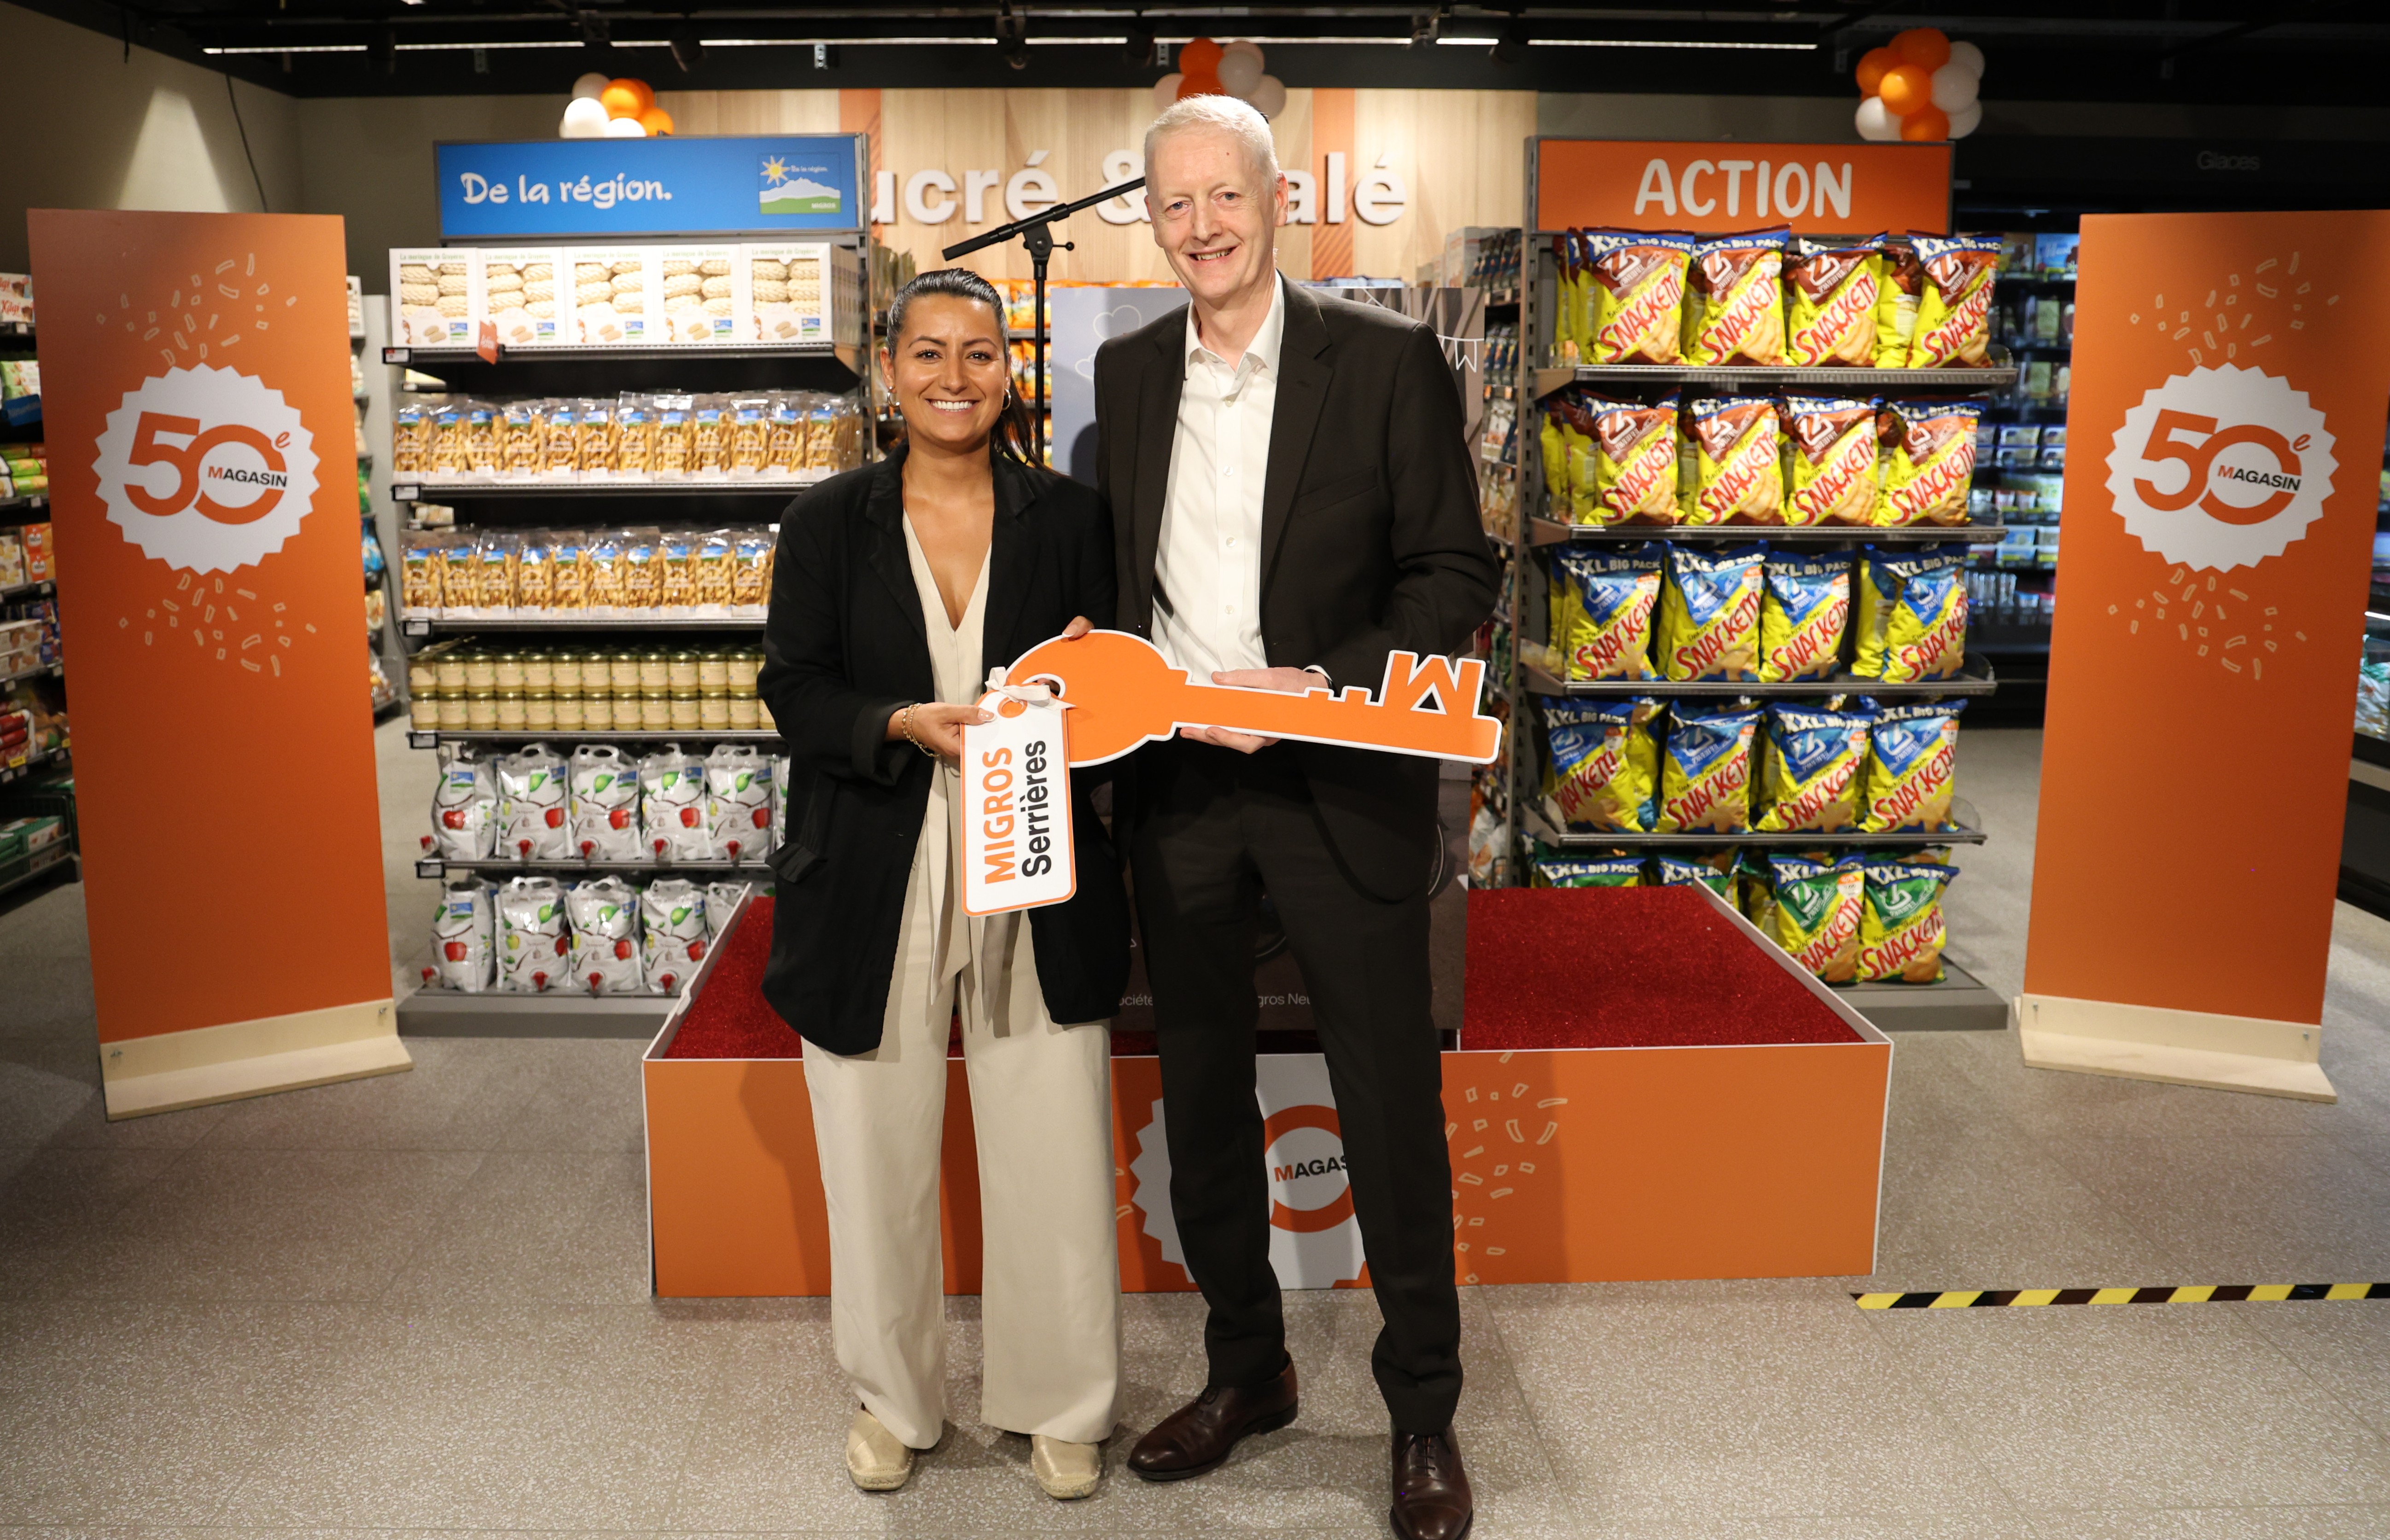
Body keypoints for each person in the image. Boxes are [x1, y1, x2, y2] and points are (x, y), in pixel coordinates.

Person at [1090, 96, 1500, 1540]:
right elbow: (1105, 571)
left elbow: (1455, 577)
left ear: (1277, 206)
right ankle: (1246, 1369)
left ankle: (1424, 1413)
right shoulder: (1127, 370)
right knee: (1200, 1095)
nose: (1200, 225)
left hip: (1339, 784)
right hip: (1184, 791)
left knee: (1388, 1107)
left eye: (1224, 198)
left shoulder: (1384, 364)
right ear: (1153, 219)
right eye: (1173, 203)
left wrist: (1315, 685)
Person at [758, 267, 1131, 1502]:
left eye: (979, 353)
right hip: (877, 862)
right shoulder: (827, 524)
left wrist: (1097, 687)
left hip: (1038, 859)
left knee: (1052, 1137)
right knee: (874, 1143)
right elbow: (795, 692)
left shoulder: (1075, 519)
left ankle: (1062, 1401)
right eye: (928, 353)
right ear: (889, 370)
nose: (954, 377)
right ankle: (894, 1398)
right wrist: (900, 721)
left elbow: (1126, 691)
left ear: (1011, 371)